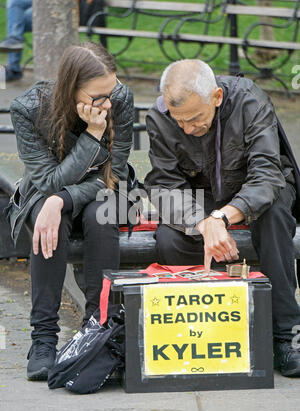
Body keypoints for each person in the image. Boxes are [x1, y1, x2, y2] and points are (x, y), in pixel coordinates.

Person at [144, 59, 300, 377]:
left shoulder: (250, 100)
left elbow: (267, 175)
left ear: (216, 96)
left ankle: (286, 335)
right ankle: (198, 333)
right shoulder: (159, 117)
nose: (187, 127)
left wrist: (222, 217)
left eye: (195, 118)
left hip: (260, 187)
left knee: (274, 218)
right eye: (180, 121)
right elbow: (164, 185)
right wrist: (202, 222)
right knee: (170, 237)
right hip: (202, 194)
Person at [5, 41, 135, 381]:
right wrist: (93, 136)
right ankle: (44, 338)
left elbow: (114, 175)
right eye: (98, 97)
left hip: (105, 192)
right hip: (44, 196)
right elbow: (48, 181)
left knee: (100, 215)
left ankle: (98, 329)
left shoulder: (119, 99)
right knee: (51, 223)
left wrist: (62, 198)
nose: (108, 103)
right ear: (71, 88)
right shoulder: (28, 109)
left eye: (112, 91)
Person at [0, 0, 102, 82]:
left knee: (17, 20)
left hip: (68, 7)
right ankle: (15, 40)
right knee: (14, 4)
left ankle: (14, 65)